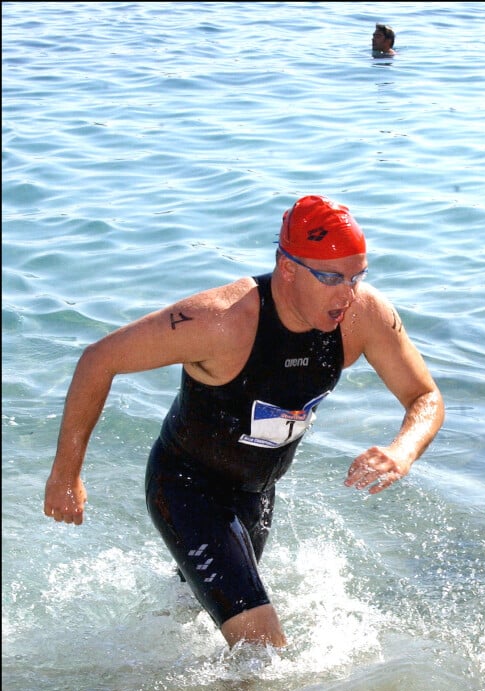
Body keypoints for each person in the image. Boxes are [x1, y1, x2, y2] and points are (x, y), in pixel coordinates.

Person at [44, 195, 444, 650]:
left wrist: (403, 450)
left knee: (196, 617)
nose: (347, 294)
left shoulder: (363, 316)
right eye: (331, 277)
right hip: (185, 487)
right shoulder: (220, 321)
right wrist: (66, 474)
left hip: (256, 494)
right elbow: (99, 360)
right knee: (263, 648)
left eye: (357, 276)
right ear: (287, 267)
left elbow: (424, 396)